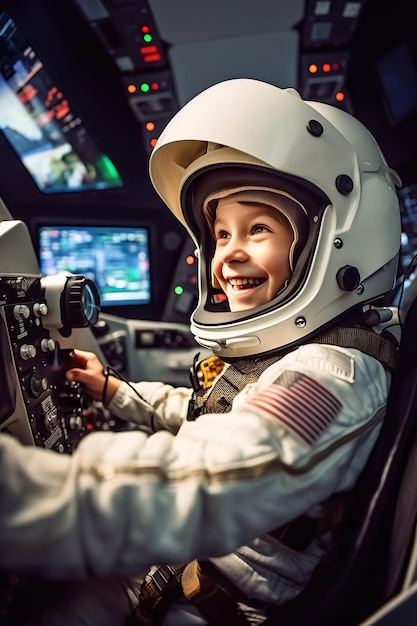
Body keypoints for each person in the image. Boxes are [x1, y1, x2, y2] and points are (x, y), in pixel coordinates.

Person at [0, 78, 402, 626]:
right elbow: (213, 411)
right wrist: (117, 391)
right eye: (220, 233)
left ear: (335, 241)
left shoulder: (331, 375)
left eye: (257, 228)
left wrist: (21, 496)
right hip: (183, 569)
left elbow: (212, 476)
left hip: (204, 603)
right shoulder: (300, 359)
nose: (227, 254)